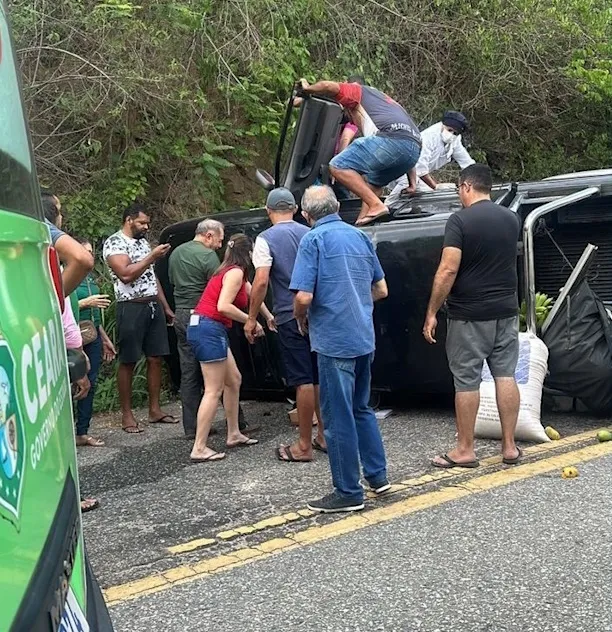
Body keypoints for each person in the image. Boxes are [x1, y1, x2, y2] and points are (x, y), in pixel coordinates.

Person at [290, 186, 390, 513]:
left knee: (336, 417)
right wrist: (356, 303)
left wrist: (300, 317)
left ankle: (348, 490)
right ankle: (377, 475)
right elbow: (381, 289)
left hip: (334, 340)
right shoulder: (359, 236)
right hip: (363, 335)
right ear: (335, 206)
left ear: (306, 215)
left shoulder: (313, 240)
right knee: (361, 408)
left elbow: (303, 296)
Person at [423, 164, 522, 469]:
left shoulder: (460, 220)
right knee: (505, 374)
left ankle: (465, 450)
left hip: (469, 314)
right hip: (506, 311)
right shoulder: (511, 218)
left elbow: (448, 269)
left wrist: (432, 311)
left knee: (467, 380)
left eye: (457, 190)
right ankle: (509, 447)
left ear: (466, 186)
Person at [246, 188, 326, 463]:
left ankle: (303, 444)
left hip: (289, 314)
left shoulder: (265, 238)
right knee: (318, 378)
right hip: (318, 313)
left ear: (268, 212)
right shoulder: (311, 232)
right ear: (294, 209)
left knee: (302, 380)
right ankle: (324, 436)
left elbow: (261, 281)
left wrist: (252, 317)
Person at [187, 234, 275, 462]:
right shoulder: (234, 273)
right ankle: (199, 447)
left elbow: (253, 293)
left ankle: (234, 433)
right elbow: (223, 306)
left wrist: (267, 316)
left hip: (209, 328)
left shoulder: (234, 271)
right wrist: (250, 321)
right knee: (213, 389)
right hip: (208, 328)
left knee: (233, 379)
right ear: (248, 254)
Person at [297, 78, 421, 226]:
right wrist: (413, 183)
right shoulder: (386, 102)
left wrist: (306, 89)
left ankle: (376, 205)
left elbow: (327, 86)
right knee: (372, 185)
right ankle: (361, 226)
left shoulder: (356, 91)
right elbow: (406, 145)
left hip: (390, 140)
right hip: (413, 151)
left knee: (338, 165)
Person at [42, 191, 98, 512]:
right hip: (52, 352)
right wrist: (55, 297)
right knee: (57, 429)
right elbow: (82, 259)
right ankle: (66, 499)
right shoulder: (43, 241)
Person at [103, 202, 176, 433]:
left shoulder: (142, 243)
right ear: (129, 220)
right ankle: (127, 414)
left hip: (152, 304)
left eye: (147, 223)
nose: (146, 227)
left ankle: (154, 410)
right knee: (129, 359)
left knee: (156, 357)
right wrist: (152, 256)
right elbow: (125, 275)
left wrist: (165, 306)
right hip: (130, 306)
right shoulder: (115, 243)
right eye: (142, 222)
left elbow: (151, 278)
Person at [74, 237, 117, 447]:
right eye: (85, 252)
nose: (89, 256)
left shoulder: (90, 279)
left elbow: (96, 316)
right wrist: (85, 302)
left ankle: (82, 431)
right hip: (71, 338)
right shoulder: (67, 276)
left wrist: (105, 338)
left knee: (90, 382)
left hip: (92, 336)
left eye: (91, 252)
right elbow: (60, 306)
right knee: (73, 384)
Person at [386, 111, 475, 205]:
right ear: (443, 125)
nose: (452, 134)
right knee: (416, 188)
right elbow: (420, 169)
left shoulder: (455, 139)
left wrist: (476, 179)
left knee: (427, 197)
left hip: (416, 175)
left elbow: (466, 162)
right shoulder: (428, 137)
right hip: (402, 170)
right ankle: (387, 207)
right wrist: (435, 187)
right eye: (449, 130)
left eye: (455, 133)